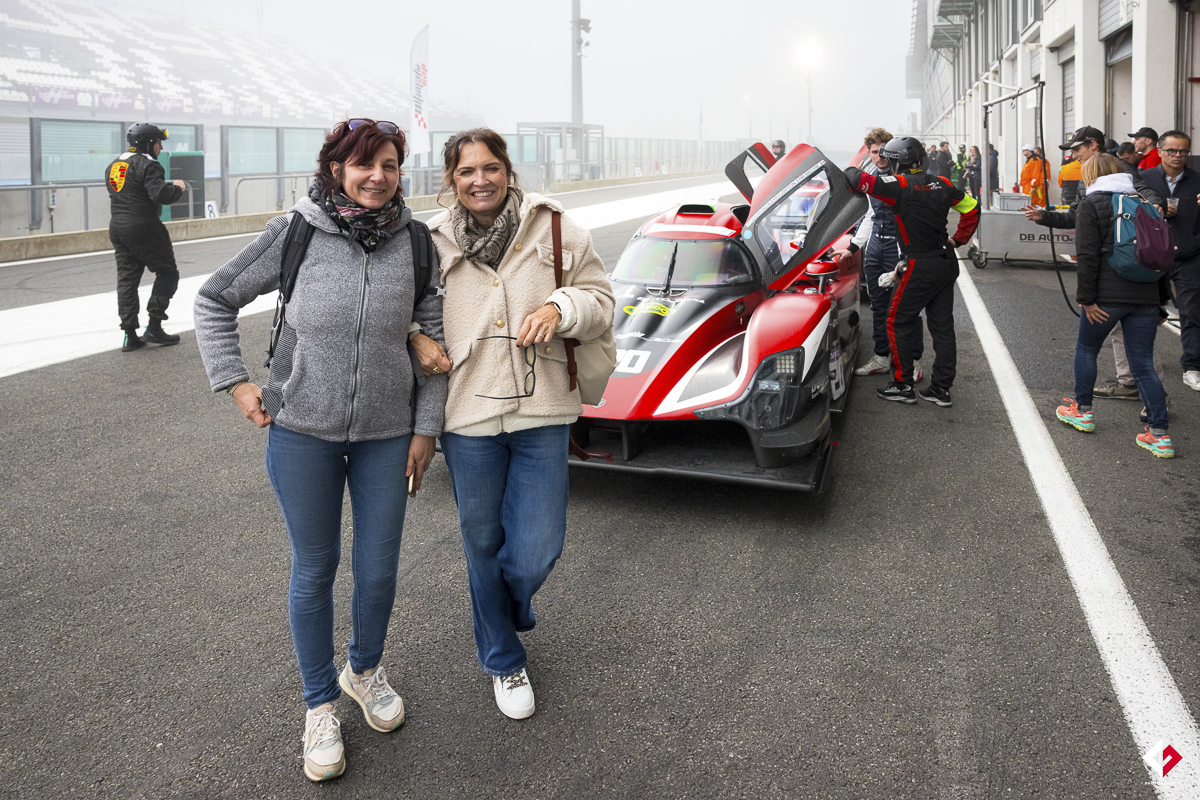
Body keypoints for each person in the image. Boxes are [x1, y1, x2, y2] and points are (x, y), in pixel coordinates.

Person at [193, 118, 448, 782]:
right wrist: (235, 381)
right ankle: (319, 704)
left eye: (390, 165)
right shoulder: (296, 231)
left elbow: (433, 340)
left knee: (380, 568)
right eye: (364, 164)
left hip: (387, 434)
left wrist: (426, 430)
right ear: (335, 168)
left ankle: (364, 670)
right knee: (315, 568)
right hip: (301, 429)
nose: (378, 176)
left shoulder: (417, 243)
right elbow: (214, 298)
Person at [427, 128, 614, 720]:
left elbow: (602, 301)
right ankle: (504, 660)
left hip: (542, 412)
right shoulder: (427, 243)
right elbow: (405, 314)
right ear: (450, 181)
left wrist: (560, 308)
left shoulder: (556, 227)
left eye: (489, 167)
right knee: (481, 542)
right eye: (465, 172)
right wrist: (413, 338)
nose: (479, 180)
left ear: (508, 169)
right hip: (467, 415)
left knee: (535, 548)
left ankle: (502, 608)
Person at [1023, 126, 1167, 405]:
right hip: (1139, 286)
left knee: (1094, 349)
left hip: (1120, 279)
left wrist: (1157, 205)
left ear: (1092, 146)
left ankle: (1088, 407)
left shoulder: (1120, 170)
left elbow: (1087, 251)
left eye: (1077, 150)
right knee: (1133, 350)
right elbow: (1076, 218)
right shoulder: (1087, 183)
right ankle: (1145, 404)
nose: (1074, 156)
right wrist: (1043, 216)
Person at [843, 136, 980, 407]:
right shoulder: (943, 183)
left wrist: (855, 165)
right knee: (942, 327)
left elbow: (855, 178)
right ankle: (941, 389)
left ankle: (903, 384)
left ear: (897, 163)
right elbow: (973, 208)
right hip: (945, 260)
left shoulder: (898, 185)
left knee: (896, 320)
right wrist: (959, 239)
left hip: (919, 264)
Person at [1054, 154, 1173, 458]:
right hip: (1145, 298)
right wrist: (1160, 303)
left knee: (1087, 350)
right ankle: (1159, 435)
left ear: (1091, 174)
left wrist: (1086, 299)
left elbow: (1088, 255)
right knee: (1143, 364)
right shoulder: (1145, 204)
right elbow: (1160, 258)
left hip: (1106, 297)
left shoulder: (1091, 205)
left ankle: (1082, 411)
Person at [831, 128, 924, 380]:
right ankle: (882, 356)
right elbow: (870, 217)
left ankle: (913, 360)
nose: (880, 156)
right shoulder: (870, 176)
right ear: (869, 153)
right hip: (875, 249)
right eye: (874, 152)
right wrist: (852, 247)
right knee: (879, 307)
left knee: (907, 307)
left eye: (884, 151)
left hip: (899, 248)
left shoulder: (903, 177)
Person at [105, 123, 187, 352]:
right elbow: (159, 193)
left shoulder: (114, 165)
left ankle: (129, 334)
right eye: (159, 143)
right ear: (149, 143)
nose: (160, 148)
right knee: (168, 272)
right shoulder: (149, 165)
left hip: (118, 227)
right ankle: (154, 326)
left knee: (127, 280)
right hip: (145, 227)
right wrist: (178, 187)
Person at [1142, 130, 1200, 392]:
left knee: (1192, 312)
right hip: (1153, 256)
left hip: (1189, 256)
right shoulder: (1144, 179)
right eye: (1172, 151)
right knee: (1147, 312)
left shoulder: (1198, 180)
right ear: (1160, 151)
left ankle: (1192, 365)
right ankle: (1142, 365)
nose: (1178, 156)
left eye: (1183, 151)